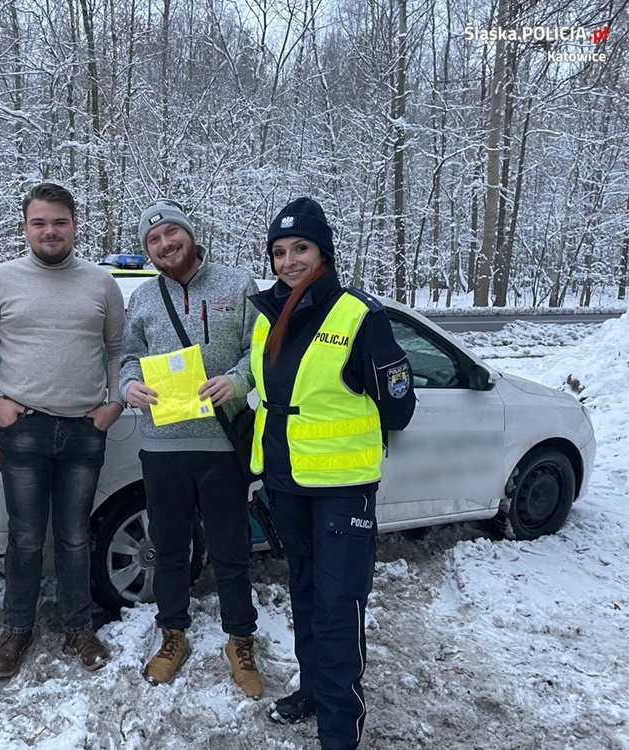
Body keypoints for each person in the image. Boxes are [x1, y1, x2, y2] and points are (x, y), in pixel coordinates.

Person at [249, 198, 416, 749]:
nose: (289, 260)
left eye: (300, 248)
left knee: (339, 605)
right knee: (303, 592)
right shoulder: (267, 316)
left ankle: (340, 731)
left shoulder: (359, 315)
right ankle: (315, 691)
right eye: (279, 251)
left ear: (323, 250)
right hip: (286, 484)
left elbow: (398, 406)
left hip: (343, 493)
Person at [0, 182, 125, 679]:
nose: (50, 231)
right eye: (39, 223)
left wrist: (114, 404)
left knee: (76, 537)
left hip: (84, 430)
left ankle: (78, 627)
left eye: (59, 222)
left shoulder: (101, 283)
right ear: (26, 227)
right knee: (27, 537)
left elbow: (119, 352)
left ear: (75, 225)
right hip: (25, 430)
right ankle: (17, 629)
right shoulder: (1, 280)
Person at [119, 199, 263, 699]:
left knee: (230, 547)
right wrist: (129, 387)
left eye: (171, 233)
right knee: (169, 547)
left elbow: (256, 350)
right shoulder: (140, 299)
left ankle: (240, 639)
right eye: (153, 240)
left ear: (190, 234)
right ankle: (172, 634)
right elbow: (127, 360)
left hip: (221, 443)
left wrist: (239, 380)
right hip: (162, 446)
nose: (164, 245)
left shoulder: (236, 283)